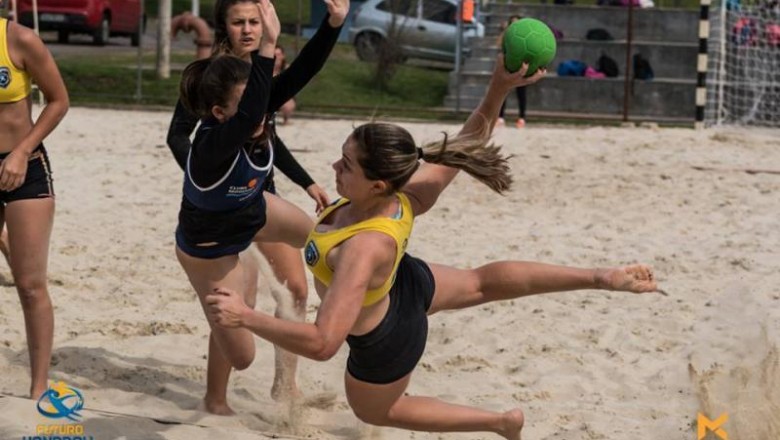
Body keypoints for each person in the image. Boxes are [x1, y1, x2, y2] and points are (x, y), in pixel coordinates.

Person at [203, 57, 660, 438]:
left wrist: (247, 317)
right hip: (408, 283)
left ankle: (498, 422)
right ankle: (598, 277)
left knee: (379, 411)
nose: (334, 166)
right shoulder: (404, 195)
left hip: (384, 339)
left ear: (377, 182)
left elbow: (323, 343)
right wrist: (499, 86)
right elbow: (466, 143)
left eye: (346, 165)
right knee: (481, 283)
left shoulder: (361, 252)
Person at [173, 0, 348, 415]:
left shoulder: (258, 87)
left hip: (255, 199)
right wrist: (208, 171)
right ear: (224, 27)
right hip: (214, 222)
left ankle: (287, 386)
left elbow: (289, 88)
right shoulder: (212, 86)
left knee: (312, 263)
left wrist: (334, 23)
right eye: (239, 22)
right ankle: (216, 398)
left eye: (256, 22)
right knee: (239, 326)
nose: (249, 29)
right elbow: (185, 135)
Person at [0, 13, 69, 398]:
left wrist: (22, 151)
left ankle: (39, 386)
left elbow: (59, 101)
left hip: (23, 167)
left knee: (29, 285)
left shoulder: (19, 39)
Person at [496, 15, 527, 129]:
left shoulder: (525, 36)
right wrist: (505, 31)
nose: (515, 25)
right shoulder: (507, 35)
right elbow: (498, 44)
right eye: (512, 23)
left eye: (517, 23)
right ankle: (500, 117)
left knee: (521, 94)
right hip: (508, 66)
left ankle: (521, 118)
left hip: (520, 67)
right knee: (503, 92)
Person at [273, 45, 296, 125]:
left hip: (282, 95)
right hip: (267, 94)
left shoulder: (287, 68)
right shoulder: (265, 68)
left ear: (283, 56)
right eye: (274, 55)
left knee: (288, 104)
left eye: (278, 55)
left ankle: (286, 120)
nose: (276, 57)